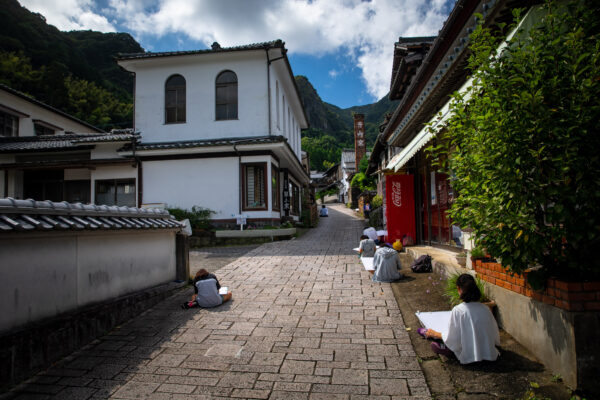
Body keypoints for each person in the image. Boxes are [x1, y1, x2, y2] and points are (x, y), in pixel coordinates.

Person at [418, 274, 500, 363]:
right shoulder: (485, 308)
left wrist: (435, 333)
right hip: (488, 352)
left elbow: (452, 338)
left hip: (469, 354)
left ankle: (441, 345)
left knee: (446, 342)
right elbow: (494, 334)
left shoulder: (458, 310)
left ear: (458, 289)